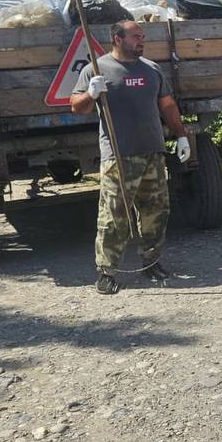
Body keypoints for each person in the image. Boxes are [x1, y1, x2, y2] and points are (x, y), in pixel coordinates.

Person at [71, 20, 191, 295]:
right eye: (136, 36)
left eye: (142, 36)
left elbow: (167, 105)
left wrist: (180, 135)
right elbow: (76, 107)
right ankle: (106, 272)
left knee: (156, 211)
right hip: (118, 155)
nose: (141, 40)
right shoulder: (96, 70)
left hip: (153, 152)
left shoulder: (151, 69)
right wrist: (91, 93)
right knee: (114, 215)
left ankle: (152, 262)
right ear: (117, 38)